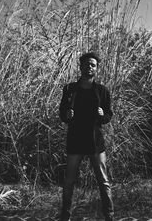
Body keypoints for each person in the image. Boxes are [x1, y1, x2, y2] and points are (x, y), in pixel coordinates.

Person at [59, 52, 114, 221]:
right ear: (80, 66)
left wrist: (103, 114)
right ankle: (65, 216)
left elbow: (108, 116)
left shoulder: (102, 91)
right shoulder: (69, 89)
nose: (89, 67)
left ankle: (109, 216)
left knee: (103, 181)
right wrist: (67, 114)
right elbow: (62, 114)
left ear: (96, 68)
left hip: (95, 142)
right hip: (75, 141)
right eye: (87, 64)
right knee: (69, 182)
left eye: (93, 65)